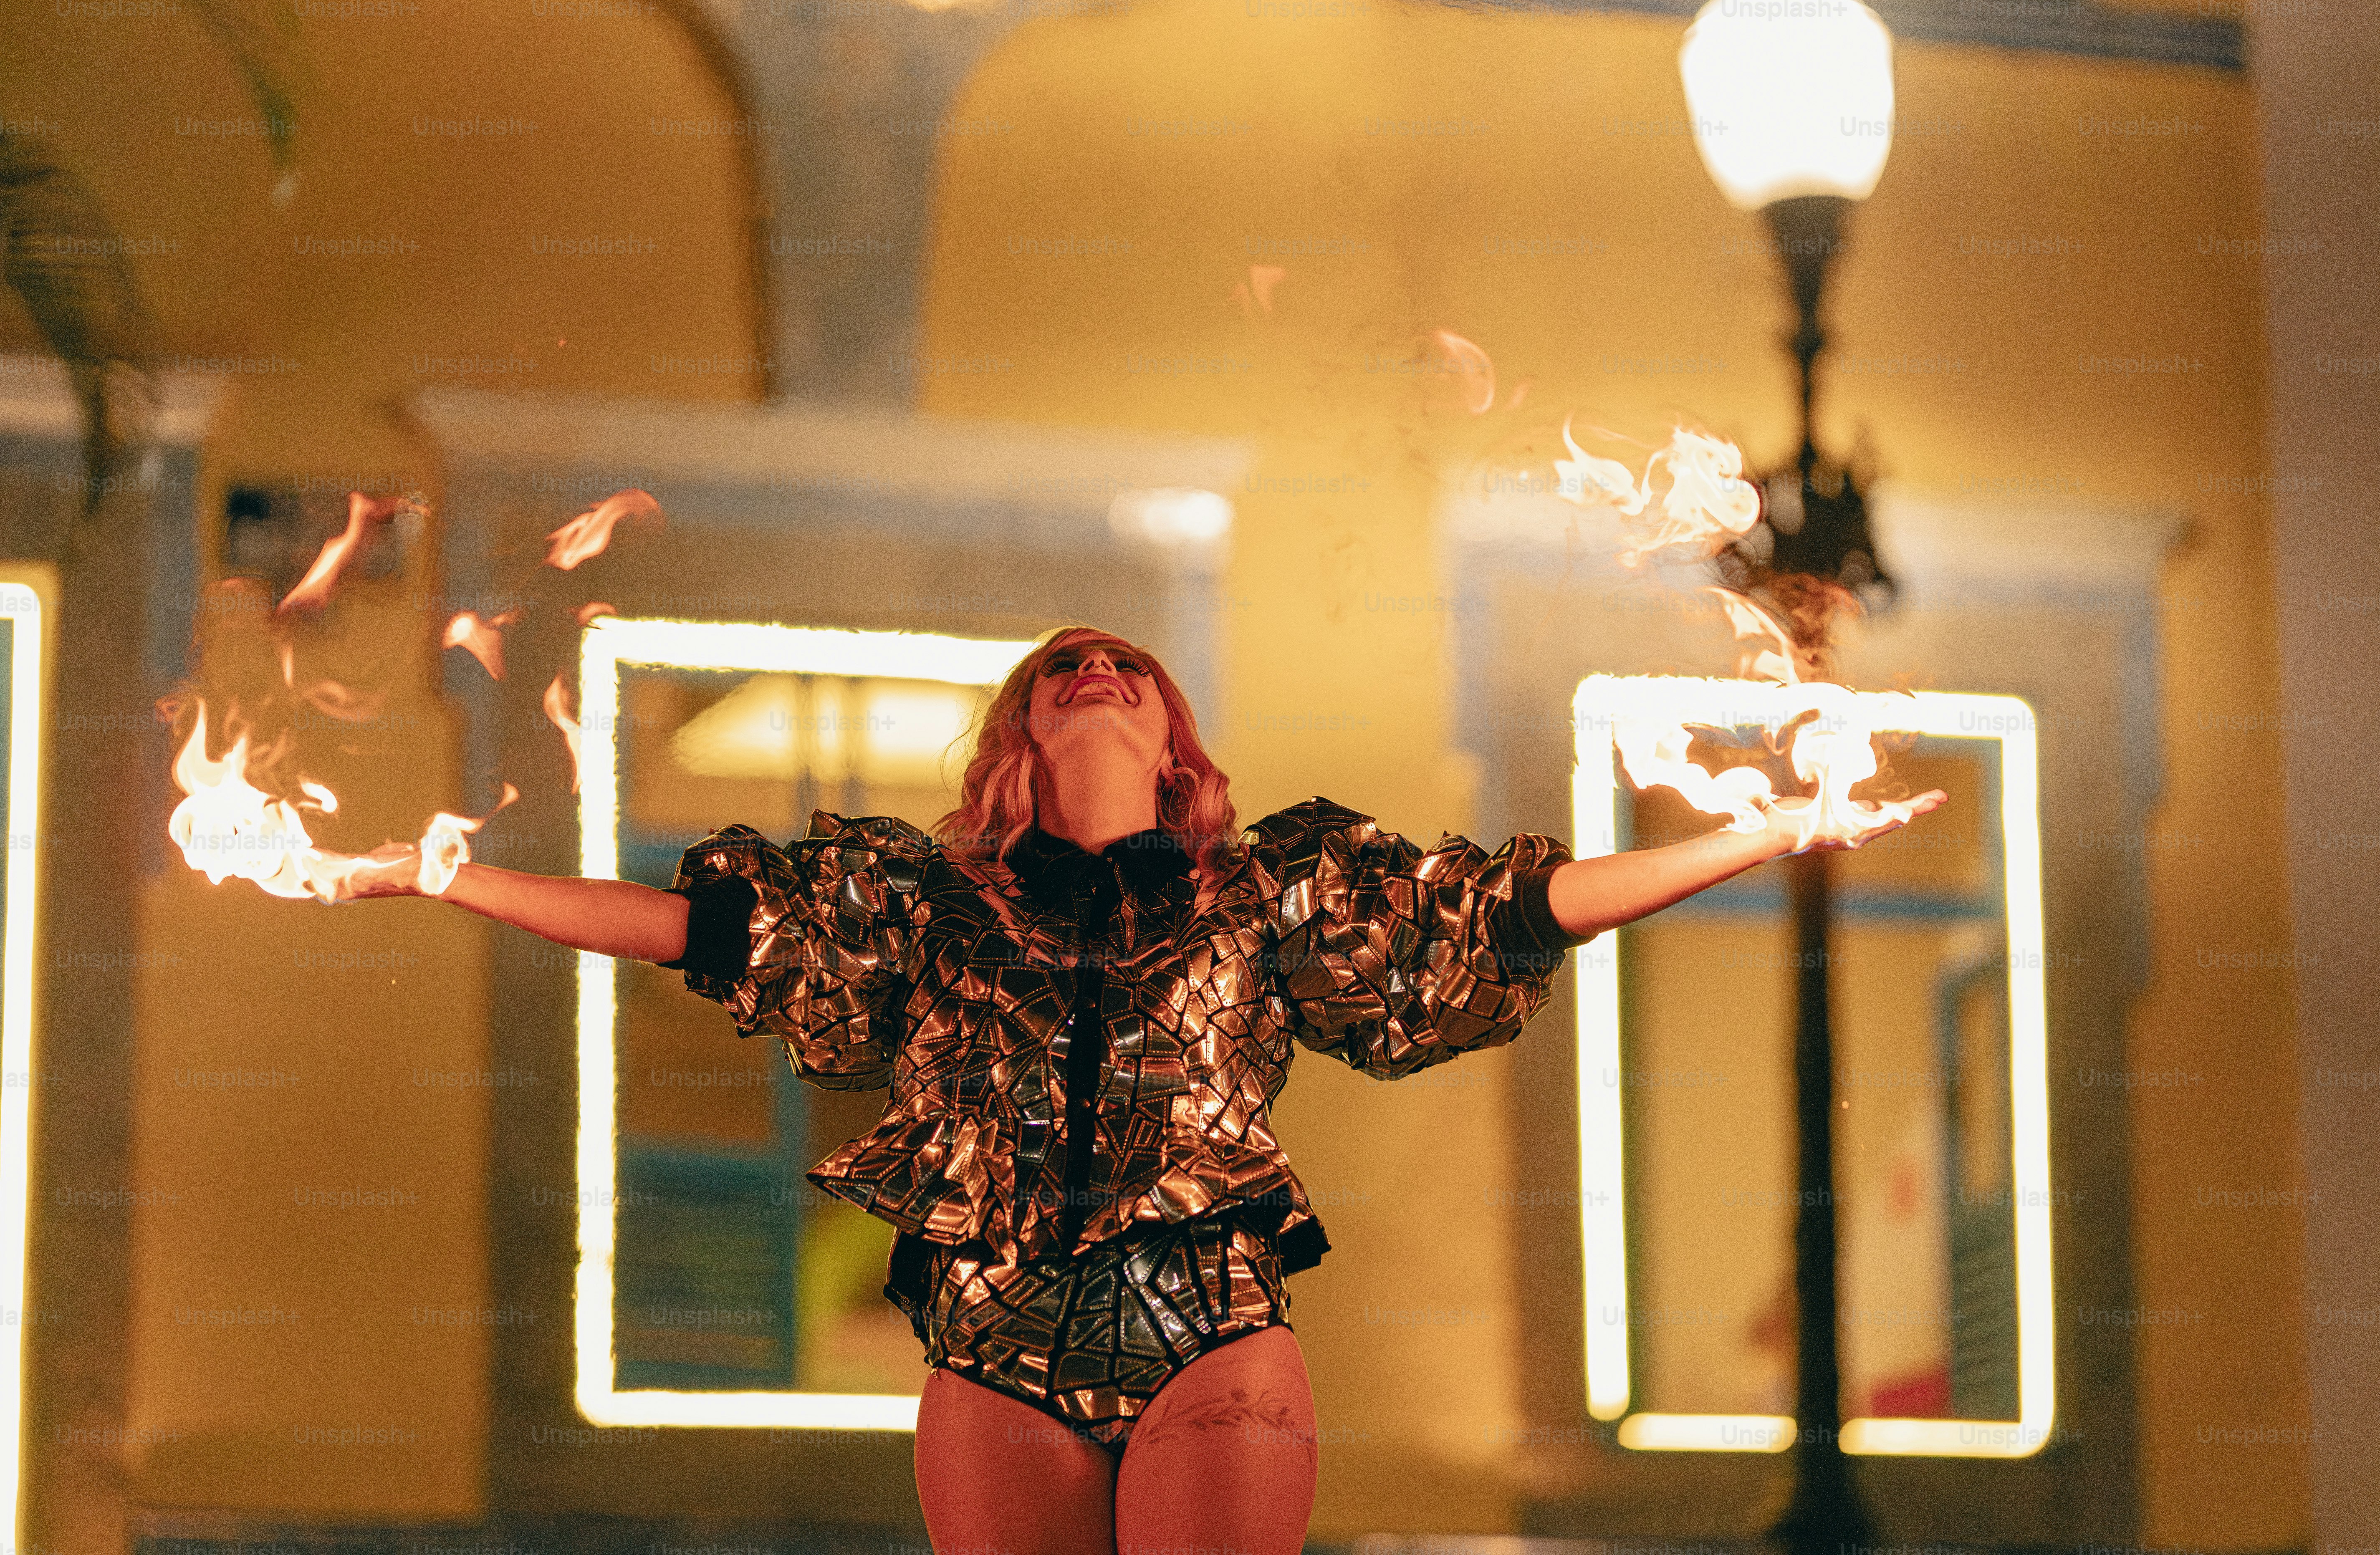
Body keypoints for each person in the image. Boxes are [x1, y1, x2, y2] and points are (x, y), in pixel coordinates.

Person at [365, 624, 1942, 1555]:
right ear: (1025, 730)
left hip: (1210, 1322)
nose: (1099, 667)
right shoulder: (923, 902)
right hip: (995, 1335)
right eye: (1067, 666)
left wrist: (1755, 833)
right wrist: (449, 880)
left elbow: (1509, 914)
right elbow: (693, 927)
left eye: (1129, 663)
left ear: (1170, 728)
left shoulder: (1269, 892)